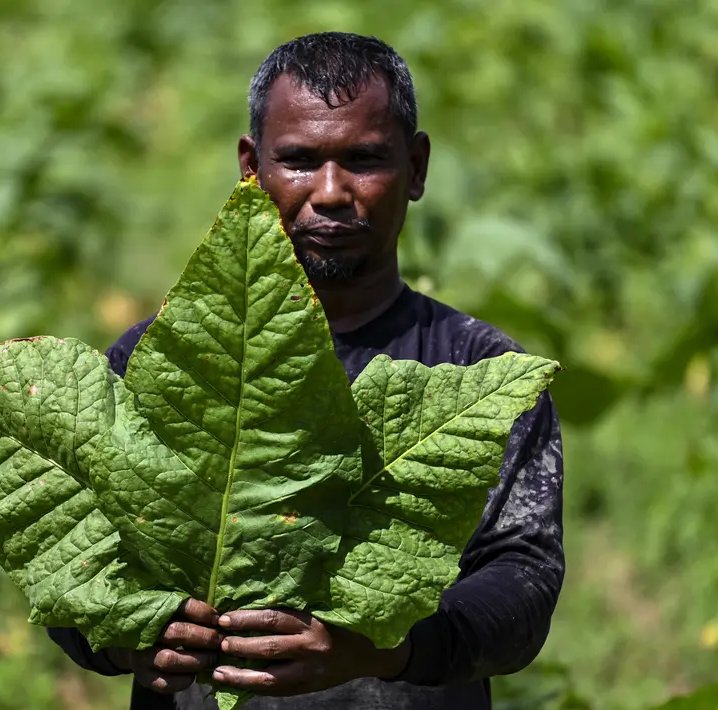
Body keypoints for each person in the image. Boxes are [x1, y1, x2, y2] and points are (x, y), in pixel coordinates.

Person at [47, 31, 564, 710]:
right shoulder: (159, 363)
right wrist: (124, 640)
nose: (329, 192)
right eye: (297, 160)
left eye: (363, 160)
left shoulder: (479, 373)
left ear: (415, 168)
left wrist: (387, 651)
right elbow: (70, 554)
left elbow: (521, 580)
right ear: (249, 168)